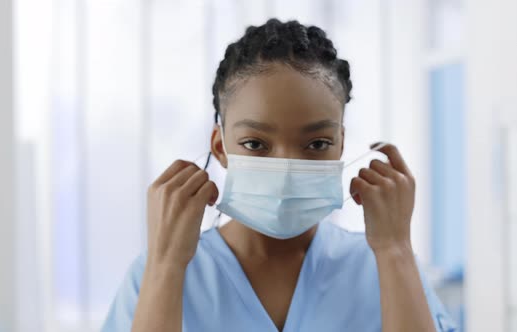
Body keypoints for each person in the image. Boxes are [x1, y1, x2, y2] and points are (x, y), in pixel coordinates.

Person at [102, 18, 456, 332]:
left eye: (317, 143)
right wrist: (166, 264)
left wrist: (395, 249)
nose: (286, 170)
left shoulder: (385, 267)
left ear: (341, 145)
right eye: (256, 143)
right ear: (220, 147)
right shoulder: (160, 272)